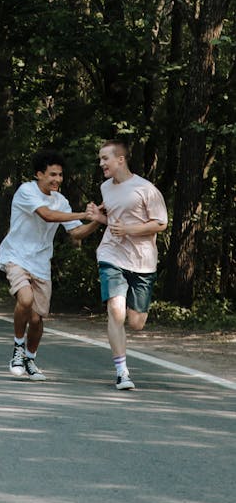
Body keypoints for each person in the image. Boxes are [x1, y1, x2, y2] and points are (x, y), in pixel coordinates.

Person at [0, 151, 98, 380]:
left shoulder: (61, 201)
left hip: (41, 263)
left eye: (60, 175)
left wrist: (97, 220)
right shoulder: (26, 191)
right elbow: (47, 215)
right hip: (16, 256)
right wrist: (84, 212)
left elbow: (76, 233)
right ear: (39, 174)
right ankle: (17, 349)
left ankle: (30, 360)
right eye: (52, 174)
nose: (57, 179)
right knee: (24, 298)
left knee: (36, 319)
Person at [87, 138, 168, 391]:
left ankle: (124, 361)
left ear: (120, 159)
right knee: (115, 311)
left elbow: (160, 223)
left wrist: (129, 229)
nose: (101, 163)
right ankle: (122, 372)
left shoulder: (146, 189)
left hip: (143, 261)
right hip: (112, 255)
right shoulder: (105, 187)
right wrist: (98, 217)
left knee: (136, 322)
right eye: (100, 159)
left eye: (105, 159)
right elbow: (113, 222)